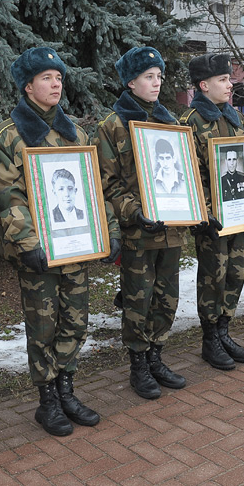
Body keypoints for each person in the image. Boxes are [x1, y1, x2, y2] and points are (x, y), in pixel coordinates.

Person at [0, 47, 121, 436]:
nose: (55, 84)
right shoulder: (8, 136)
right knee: (43, 325)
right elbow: (7, 195)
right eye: (46, 78)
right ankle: (47, 401)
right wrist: (27, 243)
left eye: (58, 77)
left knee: (75, 320)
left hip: (76, 245)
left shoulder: (75, 133)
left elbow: (93, 188)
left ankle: (67, 389)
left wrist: (109, 230)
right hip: (39, 253)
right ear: (27, 86)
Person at [96, 46, 187, 400]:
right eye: (149, 76)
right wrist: (134, 212)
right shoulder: (113, 125)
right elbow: (108, 183)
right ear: (131, 81)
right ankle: (138, 363)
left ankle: (156, 356)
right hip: (139, 231)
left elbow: (183, 174)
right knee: (139, 299)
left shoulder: (170, 123)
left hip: (171, 229)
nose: (156, 83)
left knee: (167, 298)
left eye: (159, 76)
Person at [179, 53, 244, 369]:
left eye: (229, 79)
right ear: (203, 85)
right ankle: (210, 339)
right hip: (212, 218)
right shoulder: (192, 122)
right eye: (223, 80)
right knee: (214, 275)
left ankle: (224, 330)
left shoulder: (236, 118)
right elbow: (191, 174)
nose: (230, 84)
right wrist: (204, 213)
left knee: (236, 272)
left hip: (237, 212)